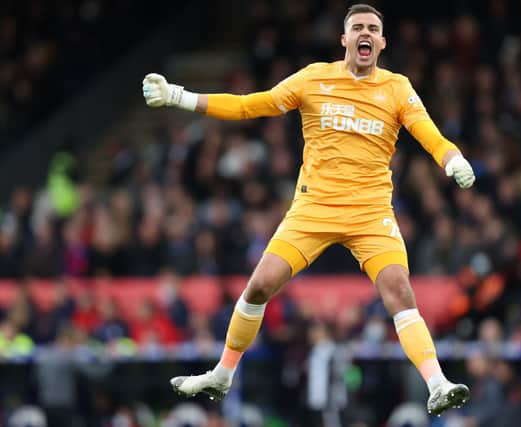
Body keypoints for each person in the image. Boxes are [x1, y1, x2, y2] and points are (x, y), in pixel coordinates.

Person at [142, 3, 474, 416]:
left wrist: (452, 159)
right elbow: (250, 106)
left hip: (370, 212)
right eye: (357, 28)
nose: (365, 33)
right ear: (344, 39)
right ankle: (222, 374)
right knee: (259, 286)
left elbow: (429, 132)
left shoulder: (397, 88)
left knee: (399, 290)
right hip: (314, 208)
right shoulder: (314, 78)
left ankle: (437, 383)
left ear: (383, 42)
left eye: (373, 28)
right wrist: (180, 96)